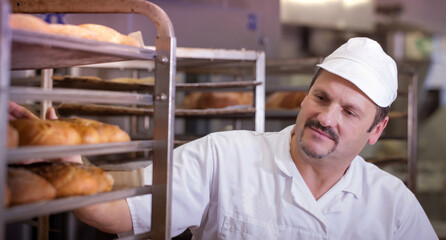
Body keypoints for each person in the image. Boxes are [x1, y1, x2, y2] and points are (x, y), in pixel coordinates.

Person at [53, 37, 438, 239]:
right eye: (320, 98)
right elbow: (121, 215)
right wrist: (62, 164)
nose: (325, 117)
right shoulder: (224, 156)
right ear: (305, 97)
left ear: (377, 130)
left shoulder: (394, 206)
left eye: (349, 112)